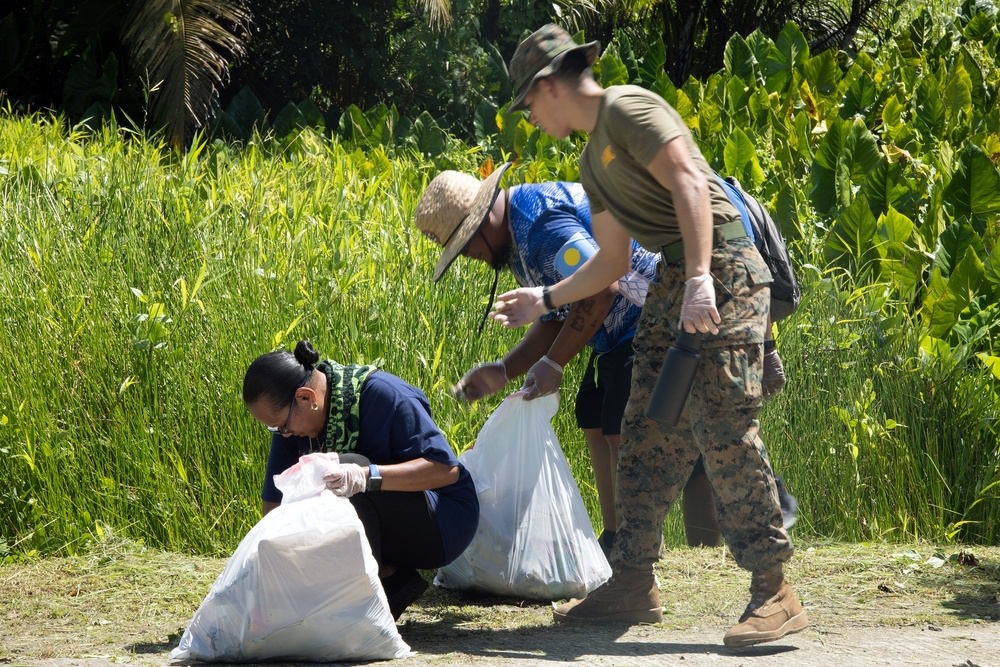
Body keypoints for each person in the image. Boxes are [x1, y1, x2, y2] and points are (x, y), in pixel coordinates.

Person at [490, 25, 808, 647]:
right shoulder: (590, 161)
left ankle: (774, 588)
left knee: (723, 424)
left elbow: (690, 179)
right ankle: (633, 579)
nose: (528, 116)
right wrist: (546, 298)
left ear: (548, 87)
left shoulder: (628, 107)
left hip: (723, 265)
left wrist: (698, 280)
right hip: (673, 271)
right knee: (644, 425)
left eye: (527, 103)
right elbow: (610, 263)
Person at [413, 167, 797, 551]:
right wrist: (504, 370)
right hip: (627, 329)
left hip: (652, 318)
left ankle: (646, 546)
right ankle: (623, 539)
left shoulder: (539, 225)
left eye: (465, 246)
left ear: (482, 222)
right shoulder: (515, 236)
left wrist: (555, 363)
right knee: (594, 415)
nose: (470, 256)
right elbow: (556, 313)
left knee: (624, 426)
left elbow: (600, 291)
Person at [243, 339, 480, 621]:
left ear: (306, 397)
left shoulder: (386, 396)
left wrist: (367, 477)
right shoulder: (292, 427)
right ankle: (392, 578)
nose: (282, 433)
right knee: (328, 482)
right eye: (274, 427)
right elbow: (275, 503)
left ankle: (366, 603)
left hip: (444, 521)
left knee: (346, 467)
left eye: (281, 425)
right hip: (389, 523)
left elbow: (444, 469)